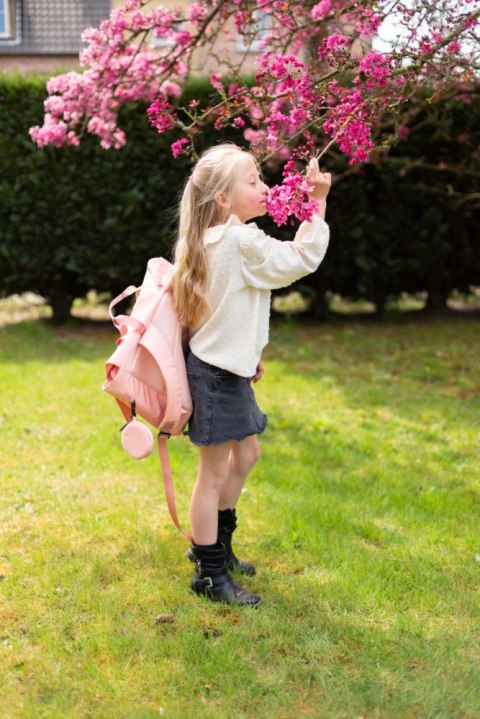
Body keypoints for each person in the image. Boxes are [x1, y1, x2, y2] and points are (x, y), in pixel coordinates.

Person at [172, 143, 331, 606]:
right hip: (217, 375)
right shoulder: (240, 241)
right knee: (214, 472)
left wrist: (249, 350)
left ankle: (215, 546)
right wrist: (317, 203)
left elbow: (216, 310)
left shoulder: (208, 240)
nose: (265, 187)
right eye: (253, 180)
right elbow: (298, 261)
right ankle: (208, 571)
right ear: (222, 199)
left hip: (222, 368)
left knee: (245, 457)